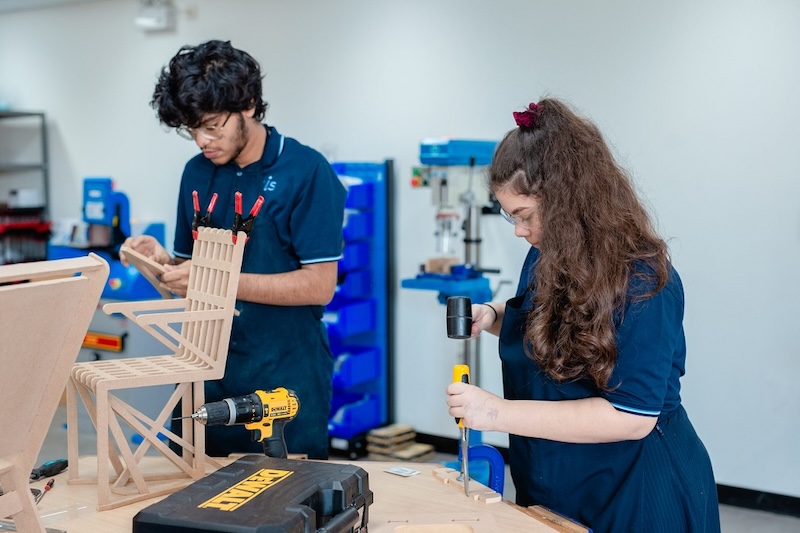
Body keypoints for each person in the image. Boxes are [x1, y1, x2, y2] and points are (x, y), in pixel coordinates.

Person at [446, 98, 720, 532]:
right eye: (510, 217)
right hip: (562, 482)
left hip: (638, 491)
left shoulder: (643, 280)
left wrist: (496, 414)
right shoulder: (548, 254)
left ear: (568, 200)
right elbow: (548, 325)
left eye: (525, 216)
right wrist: (492, 314)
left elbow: (631, 417)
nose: (519, 231)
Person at [121, 40, 346, 459]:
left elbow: (319, 286)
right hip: (203, 371)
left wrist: (214, 280)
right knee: (192, 504)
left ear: (249, 104)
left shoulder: (307, 171)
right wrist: (160, 262)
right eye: (191, 130)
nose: (201, 141)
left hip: (283, 373)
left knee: (284, 504)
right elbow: (188, 276)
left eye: (210, 125)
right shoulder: (197, 172)